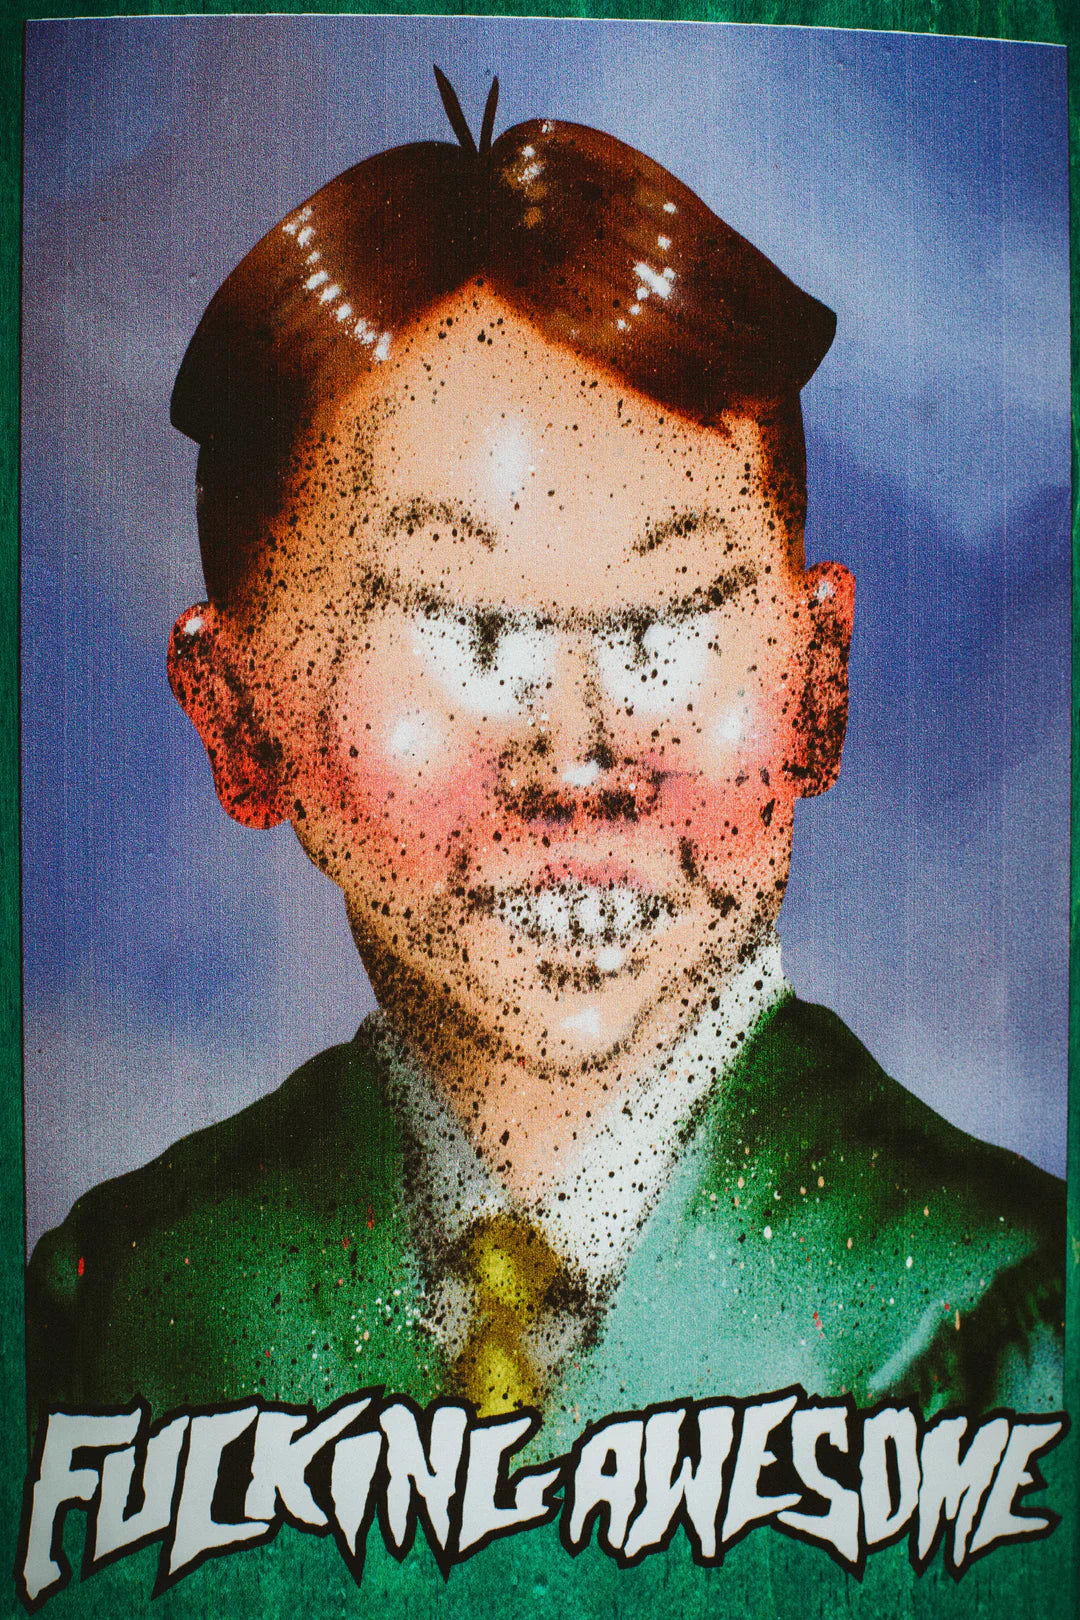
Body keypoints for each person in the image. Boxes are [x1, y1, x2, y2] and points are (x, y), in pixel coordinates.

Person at [26, 80, 1063, 1449]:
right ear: (238, 715)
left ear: (819, 678)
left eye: (670, 624)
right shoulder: (122, 1316)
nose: (580, 756)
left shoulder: (996, 1317)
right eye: (467, 633)